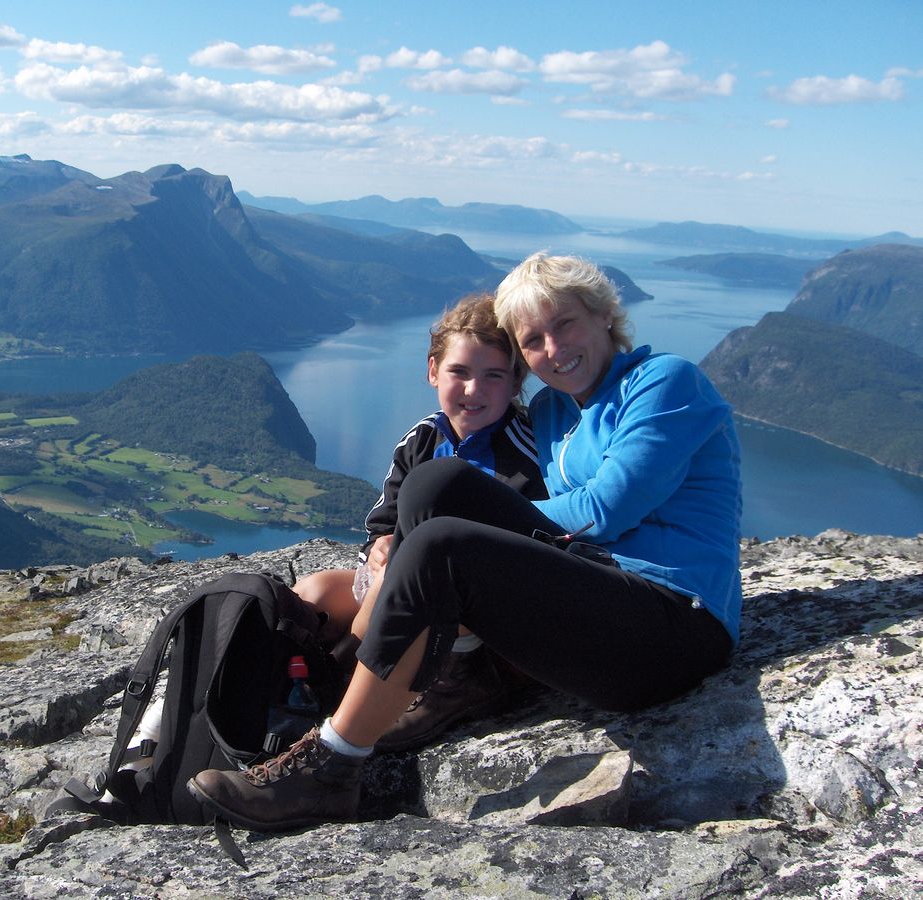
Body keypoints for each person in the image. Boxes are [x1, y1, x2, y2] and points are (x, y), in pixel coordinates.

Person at [187, 252, 742, 832]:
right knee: (433, 483)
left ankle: (330, 768)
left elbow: (606, 509)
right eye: (533, 340)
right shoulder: (556, 409)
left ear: (604, 315)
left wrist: (467, 531)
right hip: (595, 605)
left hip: (672, 626)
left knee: (444, 536)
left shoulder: (666, 382)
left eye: (565, 324)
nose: (553, 349)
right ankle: (455, 673)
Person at [294, 293, 547, 750]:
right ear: (433, 371)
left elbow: (535, 547)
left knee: (404, 581)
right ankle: (298, 671)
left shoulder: (528, 453)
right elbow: (382, 520)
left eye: (494, 376)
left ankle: (339, 686)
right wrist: (380, 545)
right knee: (310, 595)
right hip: (403, 592)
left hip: (478, 618)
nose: (474, 389)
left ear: (515, 383)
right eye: (459, 372)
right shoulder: (423, 438)